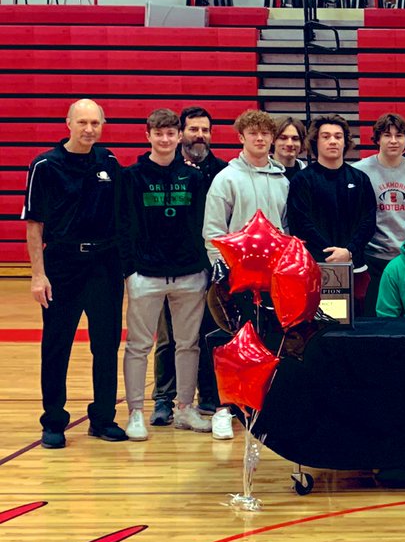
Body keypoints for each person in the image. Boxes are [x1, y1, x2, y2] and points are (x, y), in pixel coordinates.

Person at [23, 98, 126, 449]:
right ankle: (53, 420)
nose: (88, 129)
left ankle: (102, 417)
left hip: (104, 265)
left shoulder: (109, 162)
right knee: (56, 346)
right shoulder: (45, 165)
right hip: (63, 266)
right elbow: (34, 226)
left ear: (102, 125)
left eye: (95, 123)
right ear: (68, 123)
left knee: (106, 344)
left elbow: (121, 216)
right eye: (81, 122)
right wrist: (38, 275)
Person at [119, 109, 212, 439]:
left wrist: (202, 264)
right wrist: (130, 271)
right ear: (148, 135)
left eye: (171, 133)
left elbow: (203, 223)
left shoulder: (195, 177)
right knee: (138, 345)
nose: (165, 138)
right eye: (159, 133)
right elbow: (125, 225)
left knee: (188, 344)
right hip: (146, 274)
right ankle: (135, 413)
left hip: (189, 274)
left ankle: (185, 409)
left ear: (178, 137)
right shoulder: (131, 177)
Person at [203, 109, 289, 440]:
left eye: (265, 134)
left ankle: (263, 404)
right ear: (241, 138)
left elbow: (285, 227)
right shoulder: (226, 179)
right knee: (231, 341)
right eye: (252, 133)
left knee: (268, 341)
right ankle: (224, 409)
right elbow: (212, 230)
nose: (259, 138)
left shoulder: (282, 180)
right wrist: (222, 272)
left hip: (273, 278)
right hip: (235, 278)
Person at [152, 104, 227, 423]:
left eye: (205, 130)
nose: (200, 135)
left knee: (210, 334)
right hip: (170, 266)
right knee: (169, 337)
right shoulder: (163, 169)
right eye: (194, 129)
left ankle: (209, 395)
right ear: (181, 133)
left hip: (210, 267)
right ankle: (163, 400)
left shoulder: (223, 171)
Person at [355, 114, 405, 317]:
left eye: (399, 135)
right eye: (387, 135)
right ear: (378, 139)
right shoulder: (359, 171)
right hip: (373, 259)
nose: (394, 141)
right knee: (374, 319)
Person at [286, 114, 377, 271]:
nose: (333, 141)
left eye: (338, 136)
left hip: (355, 265)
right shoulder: (302, 180)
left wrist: (349, 251)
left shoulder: (360, 179)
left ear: (345, 141)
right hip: (316, 266)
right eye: (326, 136)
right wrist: (330, 253)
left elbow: (368, 221)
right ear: (316, 141)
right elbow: (300, 224)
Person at [271, 116, 308, 182]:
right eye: (283, 138)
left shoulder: (308, 175)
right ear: (273, 140)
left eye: (295, 139)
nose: (289, 144)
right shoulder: (259, 173)